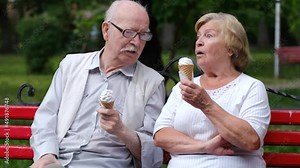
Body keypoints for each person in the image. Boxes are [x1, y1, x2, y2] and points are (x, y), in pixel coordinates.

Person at [30, 1, 165, 168]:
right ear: (106, 30)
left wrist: (121, 130)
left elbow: (154, 150)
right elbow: (45, 117)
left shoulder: (152, 82)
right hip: (58, 162)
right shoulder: (71, 66)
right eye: (129, 32)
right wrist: (47, 155)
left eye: (143, 35)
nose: (136, 42)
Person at [153, 12, 270, 168]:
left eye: (208, 36)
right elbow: (161, 136)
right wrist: (205, 147)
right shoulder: (183, 88)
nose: (199, 42)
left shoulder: (251, 87)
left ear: (231, 48)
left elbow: (250, 140)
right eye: (198, 37)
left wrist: (206, 104)